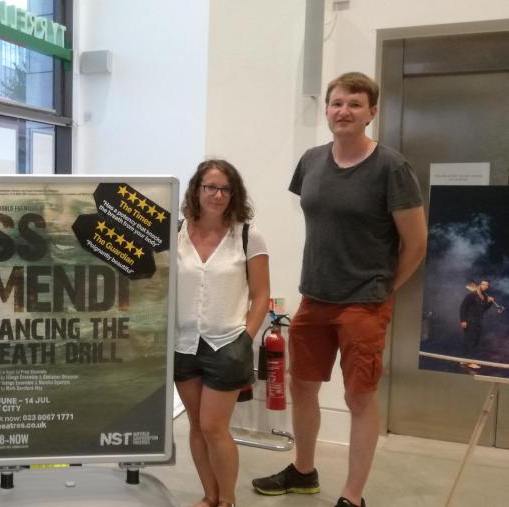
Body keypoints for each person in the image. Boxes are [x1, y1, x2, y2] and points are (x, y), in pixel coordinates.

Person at [252, 72, 427, 507]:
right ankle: (303, 471)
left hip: (364, 304)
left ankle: (353, 496)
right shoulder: (311, 161)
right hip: (315, 296)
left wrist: (384, 288)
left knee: (358, 396)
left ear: (371, 112)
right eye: (336, 103)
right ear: (326, 109)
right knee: (302, 386)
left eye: (354, 103)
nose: (343, 111)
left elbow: (417, 242)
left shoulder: (391, 167)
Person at [175, 159, 270, 507]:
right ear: (197, 190)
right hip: (182, 345)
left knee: (215, 428)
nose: (217, 195)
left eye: (225, 189)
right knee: (197, 428)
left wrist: (246, 336)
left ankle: (228, 500)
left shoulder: (246, 235)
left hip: (226, 345)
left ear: (234, 194)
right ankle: (209, 495)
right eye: (210, 187)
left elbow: (261, 296)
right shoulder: (176, 233)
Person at [460, 280, 496, 357]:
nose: (485, 287)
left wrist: (489, 303)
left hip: (478, 322)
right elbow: (463, 308)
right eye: (484, 285)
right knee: (470, 341)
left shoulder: (484, 297)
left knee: (475, 341)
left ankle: (464, 360)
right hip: (469, 321)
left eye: (487, 286)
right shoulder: (471, 295)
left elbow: (483, 309)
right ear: (479, 285)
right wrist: (463, 320)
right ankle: (469, 361)